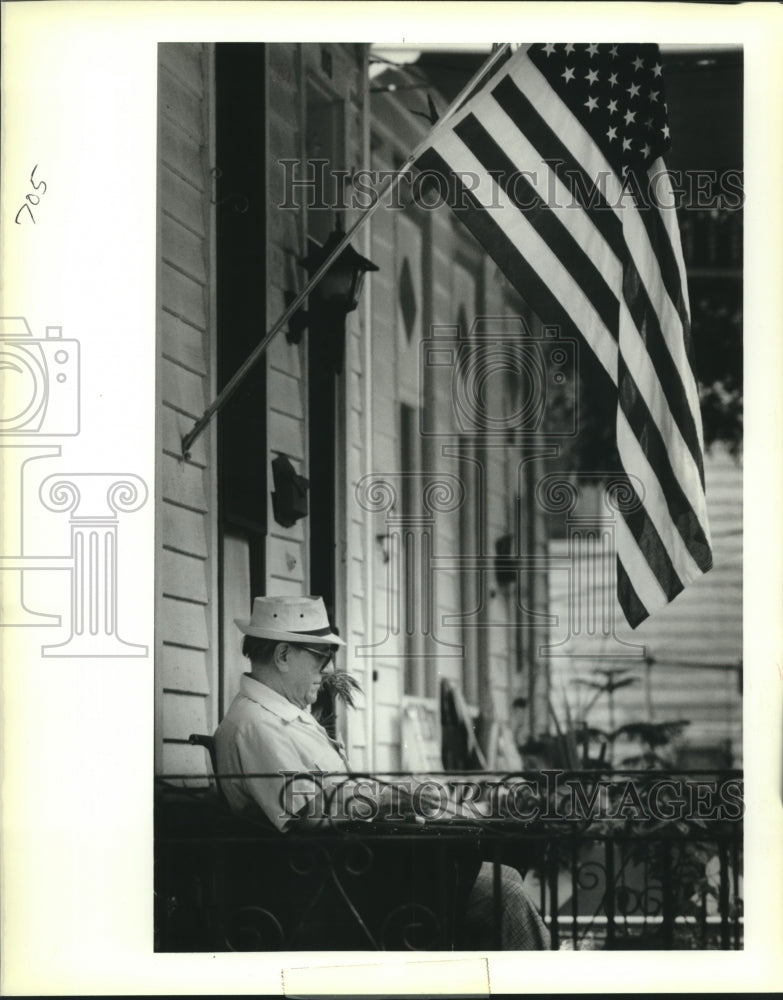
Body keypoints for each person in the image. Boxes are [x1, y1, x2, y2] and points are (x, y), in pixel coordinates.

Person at [214, 595, 550, 950]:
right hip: (341, 889)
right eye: (321, 658)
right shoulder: (258, 725)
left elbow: (331, 800)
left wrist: (399, 797)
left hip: (358, 871)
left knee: (502, 875)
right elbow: (310, 813)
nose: (327, 671)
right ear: (283, 656)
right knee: (504, 887)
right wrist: (394, 798)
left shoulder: (281, 718)